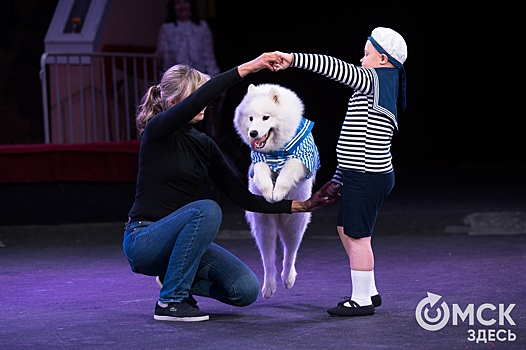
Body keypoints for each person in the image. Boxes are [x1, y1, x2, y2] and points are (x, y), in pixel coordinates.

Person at [123, 52, 339, 322]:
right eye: (195, 97)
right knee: (207, 210)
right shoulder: (157, 131)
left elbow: (245, 199)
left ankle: (173, 279)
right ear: (173, 102)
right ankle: (171, 301)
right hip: (144, 240)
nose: (205, 103)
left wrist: (303, 205)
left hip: (181, 244)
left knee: (244, 290)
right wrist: (252, 66)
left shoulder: (205, 145)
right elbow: (203, 97)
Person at [274, 27, 408, 317]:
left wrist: (293, 59)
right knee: (345, 228)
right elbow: (357, 139)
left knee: (358, 236)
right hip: (359, 173)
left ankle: (360, 300)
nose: (361, 60)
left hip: (366, 174)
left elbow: (334, 67)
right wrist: (338, 178)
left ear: (383, 59)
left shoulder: (375, 79)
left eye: (366, 54)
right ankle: (368, 290)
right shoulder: (379, 82)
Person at [155, 0, 220, 75]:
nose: (182, 6)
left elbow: (209, 55)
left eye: (185, 2)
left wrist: (214, 76)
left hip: (199, 75)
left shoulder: (202, 27)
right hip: (176, 77)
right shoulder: (166, 28)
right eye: (177, 3)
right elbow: (162, 56)